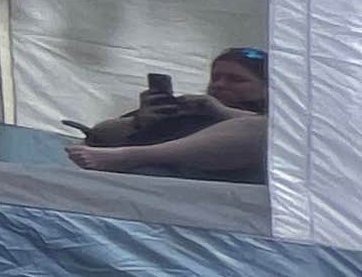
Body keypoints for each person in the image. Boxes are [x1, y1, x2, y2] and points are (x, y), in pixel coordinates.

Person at [75, 46, 270, 182]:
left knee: (266, 130)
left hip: (211, 181)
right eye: (216, 77)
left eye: (236, 80)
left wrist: (222, 112)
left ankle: (131, 156)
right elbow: (99, 134)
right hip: (148, 178)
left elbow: (267, 132)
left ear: (268, 89)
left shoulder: (273, 122)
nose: (220, 84)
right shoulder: (192, 108)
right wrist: (139, 122)